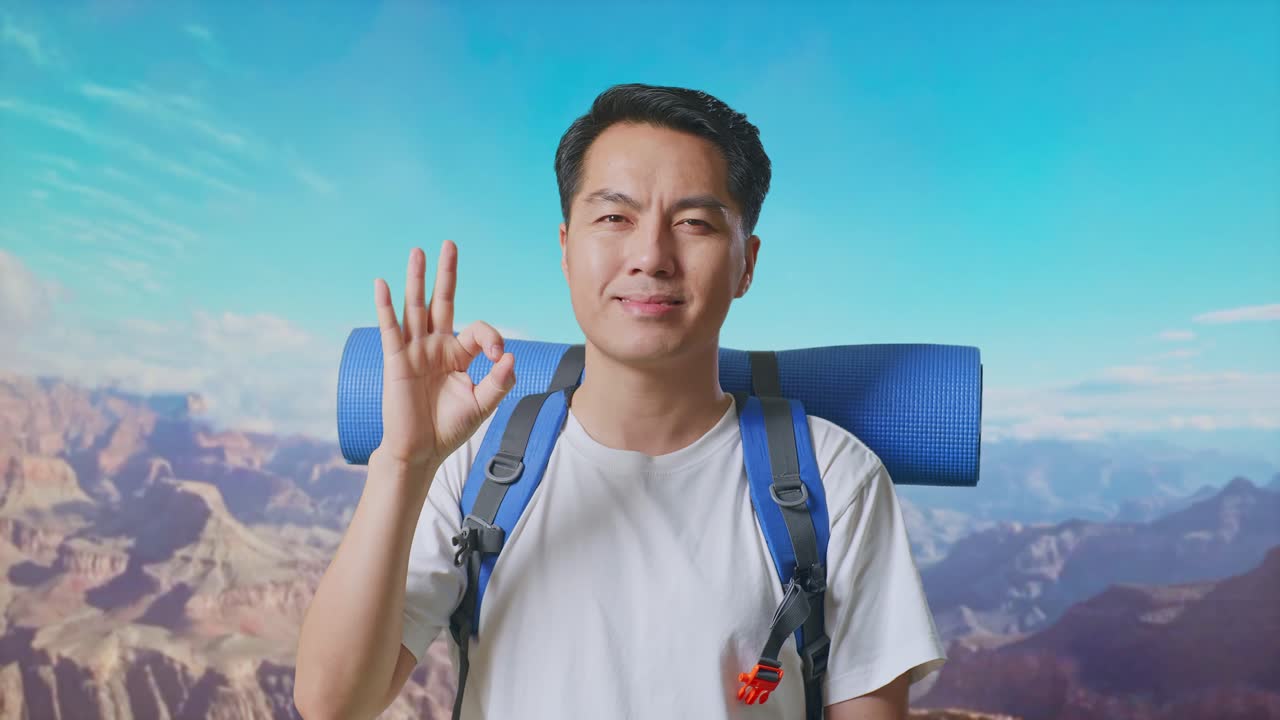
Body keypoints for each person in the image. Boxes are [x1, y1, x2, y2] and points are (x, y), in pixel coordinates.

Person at [294, 83, 946, 720]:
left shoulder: (836, 480)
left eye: (693, 223)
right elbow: (334, 704)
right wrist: (405, 462)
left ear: (746, 263)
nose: (651, 255)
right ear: (565, 248)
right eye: (614, 217)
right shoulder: (473, 466)